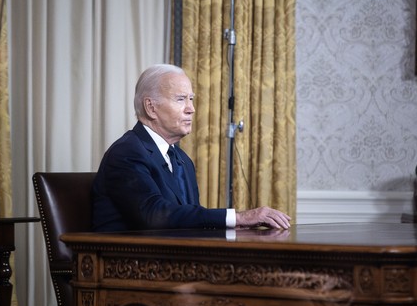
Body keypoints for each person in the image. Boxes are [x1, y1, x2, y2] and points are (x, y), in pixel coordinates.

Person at [92, 64, 291, 232]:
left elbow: (187, 220)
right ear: (151, 107)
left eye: (191, 99)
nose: (191, 108)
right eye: (181, 99)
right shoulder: (127, 152)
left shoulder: (182, 159)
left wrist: (229, 227)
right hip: (127, 264)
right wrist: (237, 218)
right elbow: (154, 216)